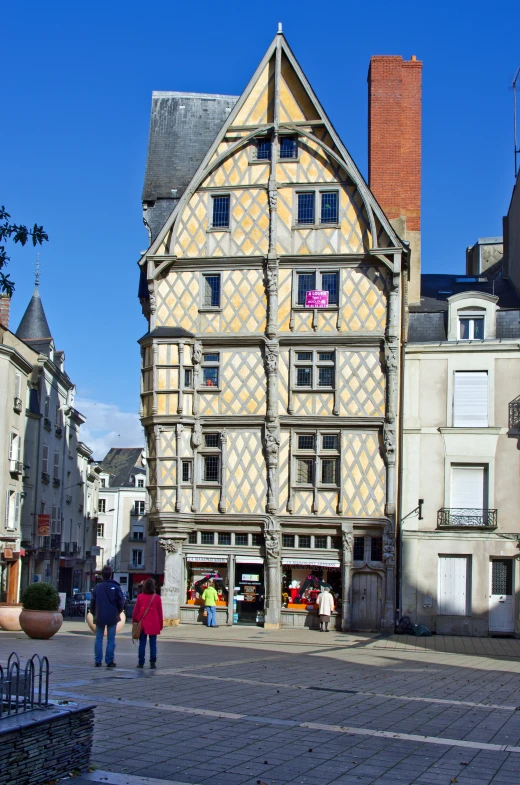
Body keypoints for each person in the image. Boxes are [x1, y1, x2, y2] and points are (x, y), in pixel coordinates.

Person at [90, 565, 125, 667]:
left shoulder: (97, 587)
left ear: (102, 575)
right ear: (111, 574)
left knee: (98, 638)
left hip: (100, 615)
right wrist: (118, 611)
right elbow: (121, 602)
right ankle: (109, 660)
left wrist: (93, 612)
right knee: (111, 639)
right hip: (112, 616)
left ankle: (98, 660)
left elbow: (92, 602)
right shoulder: (116, 587)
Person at [132, 577, 163, 669]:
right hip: (154, 623)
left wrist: (135, 621)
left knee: (142, 644)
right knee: (153, 644)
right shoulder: (157, 598)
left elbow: (136, 611)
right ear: (153, 587)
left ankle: (141, 662)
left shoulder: (140, 597)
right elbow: (160, 612)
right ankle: (152, 662)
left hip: (142, 623)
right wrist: (161, 625)